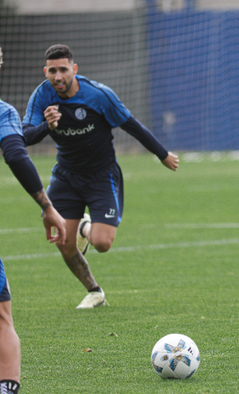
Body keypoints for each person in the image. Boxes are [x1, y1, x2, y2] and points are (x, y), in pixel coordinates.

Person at [22, 44, 179, 309]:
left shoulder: (98, 95)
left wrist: (162, 154)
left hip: (100, 176)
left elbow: (132, 126)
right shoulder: (41, 96)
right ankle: (94, 291)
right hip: (66, 176)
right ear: (45, 71)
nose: (57, 76)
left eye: (63, 69)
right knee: (63, 242)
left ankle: (85, 227)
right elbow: (24, 137)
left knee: (102, 243)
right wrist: (46, 126)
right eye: (52, 71)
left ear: (74, 68)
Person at [0, 47, 67, 394]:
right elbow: (14, 150)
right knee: (2, 319)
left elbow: (18, 139)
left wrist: (44, 126)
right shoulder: (2, 112)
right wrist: (47, 207)